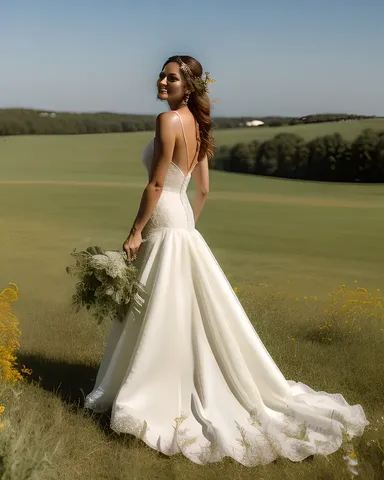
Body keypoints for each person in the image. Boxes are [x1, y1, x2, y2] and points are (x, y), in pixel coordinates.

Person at [84, 55, 368, 466]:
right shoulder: (199, 127)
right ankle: (180, 380)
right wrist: (186, 231)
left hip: (165, 216)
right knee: (181, 307)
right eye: (162, 75)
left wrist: (136, 231)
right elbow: (202, 190)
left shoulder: (168, 122)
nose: (162, 81)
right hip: (182, 221)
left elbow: (158, 182)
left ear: (188, 87)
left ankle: (152, 388)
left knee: (158, 306)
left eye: (172, 77)